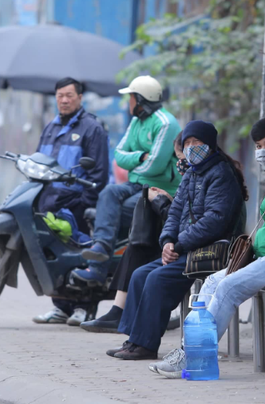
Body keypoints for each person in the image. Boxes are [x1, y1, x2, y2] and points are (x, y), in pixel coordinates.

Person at [150, 114, 265, 378]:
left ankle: (194, 358)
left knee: (228, 286)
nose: (262, 152)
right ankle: (192, 352)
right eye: (258, 146)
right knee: (212, 282)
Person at [106, 120, 245, 360]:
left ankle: (146, 345)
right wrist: (168, 241)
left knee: (157, 278)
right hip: (185, 248)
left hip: (209, 251)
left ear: (210, 145)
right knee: (139, 274)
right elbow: (175, 213)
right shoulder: (191, 173)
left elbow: (214, 221)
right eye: (187, 143)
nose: (191, 147)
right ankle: (134, 340)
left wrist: (179, 245)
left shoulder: (221, 174)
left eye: (197, 142)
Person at [77, 76, 181, 286]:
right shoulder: (136, 121)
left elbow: (156, 166)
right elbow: (119, 155)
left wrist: (136, 161)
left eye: (132, 97)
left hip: (159, 188)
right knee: (108, 193)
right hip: (137, 183)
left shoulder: (165, 123)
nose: (129, 102)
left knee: (119, 209)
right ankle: (101, 249)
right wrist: (140, 156)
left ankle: (100, 270)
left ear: (142, 99)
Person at [79, 133, 187, 332]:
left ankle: (128, 318)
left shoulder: (210, 177)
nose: (179, 164)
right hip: (181, 239)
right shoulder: (193, 178)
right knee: (139, 243)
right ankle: (120, 313)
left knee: (145, 252)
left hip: (199, 245)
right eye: (178, 158)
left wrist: (164, 209)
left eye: (180, 159)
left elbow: (197, 221)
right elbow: (183, 214)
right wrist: (167, 204)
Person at [32, 77, 110, 326]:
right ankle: (61, 307)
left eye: (69, 95)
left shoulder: (92, 128)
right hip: (48, 203)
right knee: (53, 255)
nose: (64, 100)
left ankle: (83, 307)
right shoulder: (51, 128)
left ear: (79, 97)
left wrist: (84, 205)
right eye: (60, 96)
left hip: (75, 205)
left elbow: (99, 174)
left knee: (80, 255)